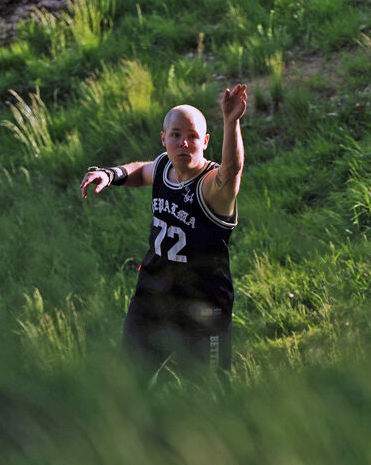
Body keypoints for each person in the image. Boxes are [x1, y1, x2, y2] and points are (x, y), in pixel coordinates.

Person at [80, 83, 248, 380]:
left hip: (202, 306)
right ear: (164, 139)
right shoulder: (162, 167)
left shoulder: (211, 186)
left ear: (205, 141)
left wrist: (231, 122)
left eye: (192, 136)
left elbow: (231, 173)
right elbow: (140, 171)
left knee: (207, 391)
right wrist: (110, 174)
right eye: (176, 135)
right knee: (131, 382)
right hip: (153, 298)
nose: (184, 143)